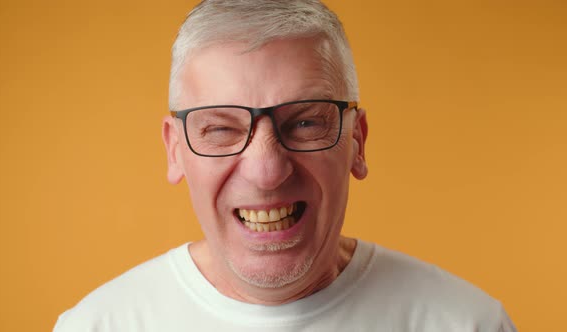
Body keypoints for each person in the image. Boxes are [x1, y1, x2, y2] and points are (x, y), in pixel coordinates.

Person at [53, 1, 516, 331]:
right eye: (221, 129)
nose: (266, 171)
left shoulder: (467, 323)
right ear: (175, 150)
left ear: (357, 141)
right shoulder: (98, 325)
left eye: (306, 122)